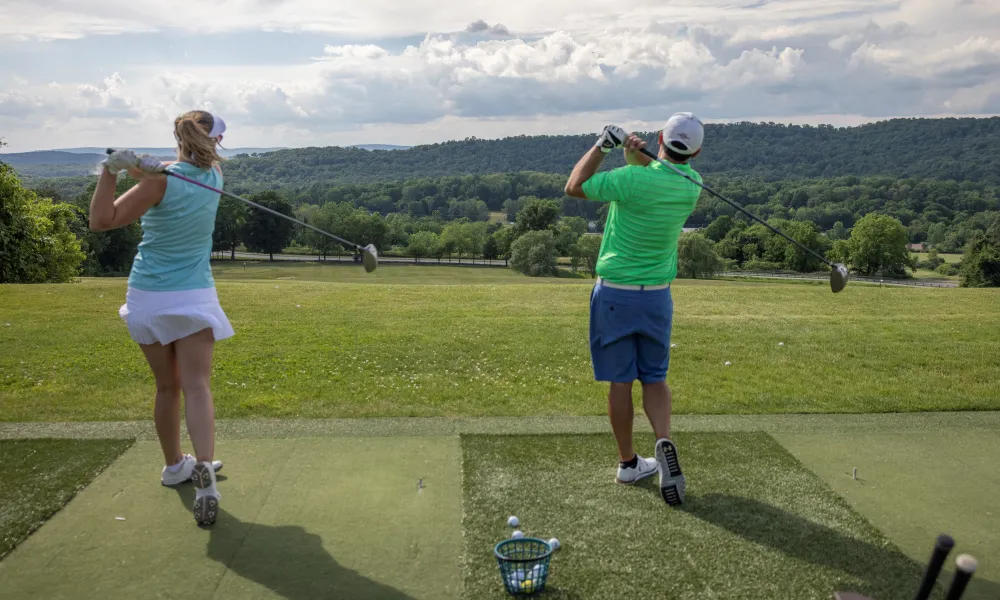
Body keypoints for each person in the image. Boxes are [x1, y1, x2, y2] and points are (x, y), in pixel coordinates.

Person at [89, 110, 232, 525]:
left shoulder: (158, 182)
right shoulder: (214, 177)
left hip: (148, 297)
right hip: (193, 295)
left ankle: (174, 466)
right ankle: (202, 468)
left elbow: (101, 221)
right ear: (216, 142)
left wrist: (110, 170)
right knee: (197, 385)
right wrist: (140, 167)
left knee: (167, 387)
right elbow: (171, 175)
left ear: (178, 138)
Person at [564, 113, 705, 505]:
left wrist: (603, 146)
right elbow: (652, 177)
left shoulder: (630, 181)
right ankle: (663, 440)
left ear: (660, 138)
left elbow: (575, 186)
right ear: (695, 152)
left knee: (621, 382)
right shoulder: (692, 184)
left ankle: (628, 463)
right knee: (655, 379)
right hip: (656, 297)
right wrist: (634, 157)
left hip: (614, 295)